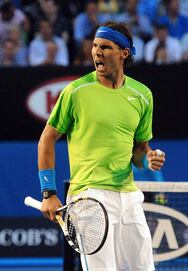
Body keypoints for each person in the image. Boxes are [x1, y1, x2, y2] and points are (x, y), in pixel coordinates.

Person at [37, 21, 165, 271]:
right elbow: (46, 139)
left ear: (123, 53)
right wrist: (48, 193)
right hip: (89, 196)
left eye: (105, 47)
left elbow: (139, 150)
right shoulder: (76, 91)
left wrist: (149, 157)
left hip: (128, 196)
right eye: (95, 46)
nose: (96, 52)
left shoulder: (142, 95)